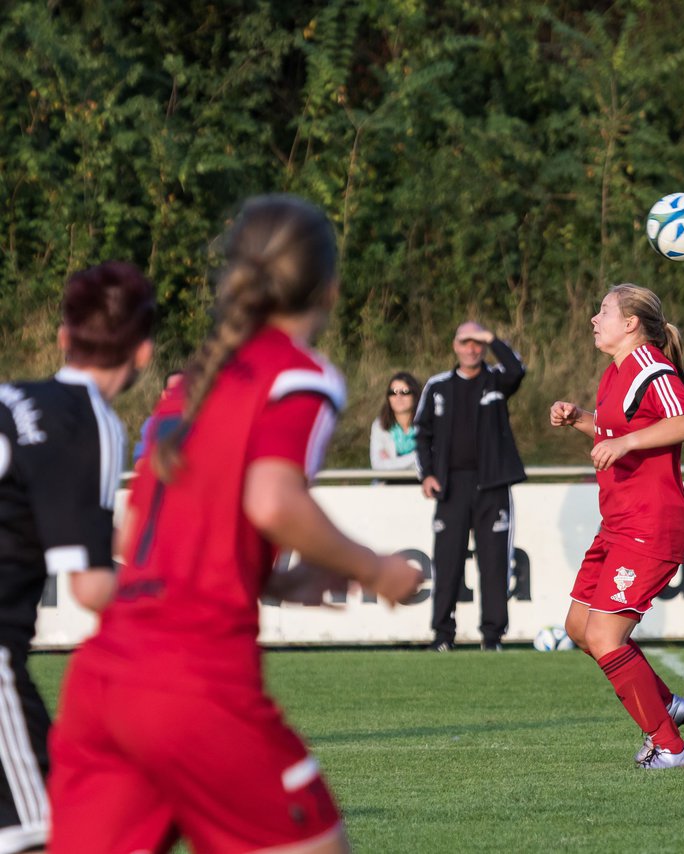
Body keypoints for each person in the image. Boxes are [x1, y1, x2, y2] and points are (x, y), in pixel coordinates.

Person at [47, 195, 423, 854]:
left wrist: (274, 583)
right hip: (193, 682)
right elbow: (272, 500)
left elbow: (142, 534)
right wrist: (377, 569)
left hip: (105, 678)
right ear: (329, 286)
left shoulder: (194, 382)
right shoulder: (299, 375)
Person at [0, 261, 155, 852]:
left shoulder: (13, 398)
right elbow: (91, 587)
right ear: (142, 354)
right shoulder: (91, 419)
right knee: (58, 830)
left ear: (64, 338)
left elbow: (56, 519)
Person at [549, 283, 684, 770]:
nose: (595, 319)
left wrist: (628, 443)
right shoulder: (616, 370)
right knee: (579, 626)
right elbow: (614, 433)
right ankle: (667, 706)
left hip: (651, 525)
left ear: (631, 323)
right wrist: (580, 420)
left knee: (605, 637)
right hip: (617, 523)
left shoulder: (651, 366)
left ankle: (671, 747)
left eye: (604, 312)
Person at [414, 321, 526, 651]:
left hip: (493, 483)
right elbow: (421, 434)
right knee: (447, 561)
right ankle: (442, 635)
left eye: (478, 342)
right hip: (451, 487)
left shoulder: (496, 379)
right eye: (466, 341)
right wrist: (427, 474)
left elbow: (517, 369)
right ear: (455, 345)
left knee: (493, 563)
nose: (472, 348)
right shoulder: (437, 386)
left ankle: (492, 638)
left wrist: (492, 338)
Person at [370, 371, 421, 471]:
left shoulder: (429, 424)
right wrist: (417, 456)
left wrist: (392, 463)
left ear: (415, 395)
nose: (398, 397)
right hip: (389, 484)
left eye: (405, 392)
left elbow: (434, 462)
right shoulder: (379, 425)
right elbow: (378, 466)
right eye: (393, 392)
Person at [132, 369, 184, 464]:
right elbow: (140, 462)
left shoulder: (204, 420)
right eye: (173, 390)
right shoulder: (152, 424)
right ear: (164, 394)